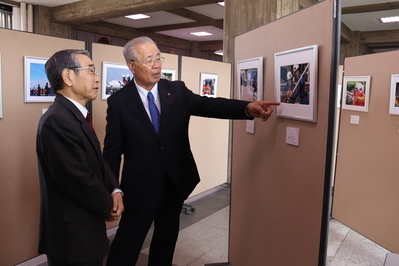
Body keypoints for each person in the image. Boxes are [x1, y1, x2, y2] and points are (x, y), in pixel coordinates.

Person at [103, 36, 280, 266]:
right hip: (139, 188)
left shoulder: (175, 90)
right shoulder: (119, 102)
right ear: (132, 66)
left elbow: (210, 105)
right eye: (149, 60)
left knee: (165, 241)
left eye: (158, 58)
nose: (157, 65)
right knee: (127, 243)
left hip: (174, 183)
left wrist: (246, 108)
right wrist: (114, 189)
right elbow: (112, 152)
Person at [36, 49, 124, 266]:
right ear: (68, 77)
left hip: (84, 228)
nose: (97, 78)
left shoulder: (76, 116)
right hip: (71, 236)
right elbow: (78, 178)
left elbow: (97, 161)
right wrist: (108, 206)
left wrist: (115, 190)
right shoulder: (57, 121)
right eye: (91, 70)